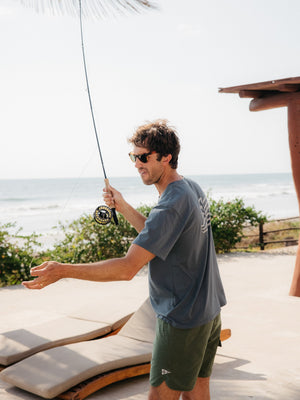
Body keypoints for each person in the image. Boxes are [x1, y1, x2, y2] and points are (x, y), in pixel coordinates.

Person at [23, 119, 226, 400]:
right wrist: (123, 206)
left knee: (160, 396)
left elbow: (127, 268)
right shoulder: (190, 188)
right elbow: (159, 235)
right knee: (197, 391)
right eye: (134, 157)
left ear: (166, 157)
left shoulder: (170, 204)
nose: (136, 164)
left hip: (182, 319)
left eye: (143, 157)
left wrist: (62, 270)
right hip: (208, 311)